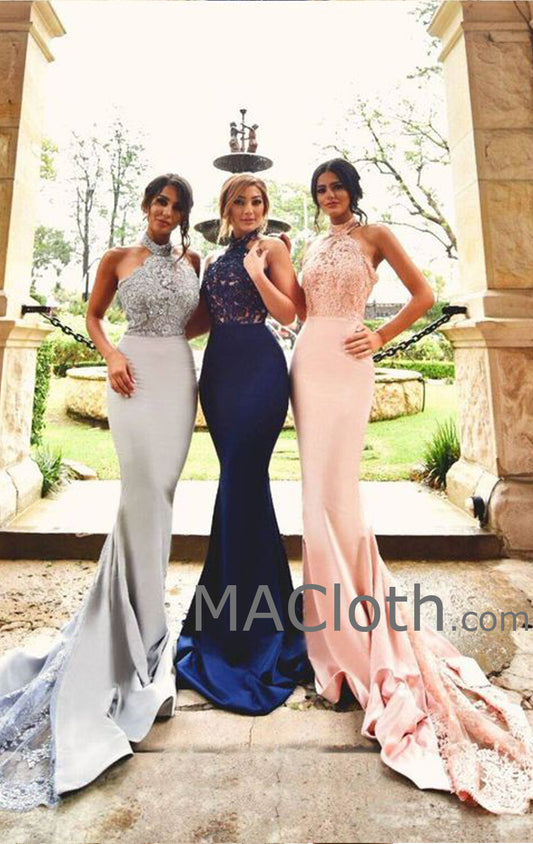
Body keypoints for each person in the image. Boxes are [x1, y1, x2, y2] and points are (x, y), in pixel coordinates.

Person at [289, 157, 533, 814]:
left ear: (352, 192)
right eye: (321, 189)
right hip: (307, 360)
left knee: (338, 496)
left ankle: (352, 633)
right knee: (313, 498)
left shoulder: (376, 236)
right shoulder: (311, 243)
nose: (329, 195)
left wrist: (380, 335)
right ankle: (325, 636)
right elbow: (300, 307)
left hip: (349, 362)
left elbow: (422, 295)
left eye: (336, 187)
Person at [0, 173, 200, 810]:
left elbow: (195, 322)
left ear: (183, 215)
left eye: (177, 206)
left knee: (160, 494)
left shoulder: (193, 261)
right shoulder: (117, 257)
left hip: (177, 377)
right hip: (132, 375)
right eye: (160, 201)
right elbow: (92, 316)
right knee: (141, 492)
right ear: (147, 205)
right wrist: (113, 353)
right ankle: (141, 636)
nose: (167, 211)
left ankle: (142, 623)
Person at [175, 173, 311, 715]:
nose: (249, 208)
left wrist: (258, 273)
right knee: (239, 488)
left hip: (259, 368)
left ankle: (251, 625)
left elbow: (289, 312)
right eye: (240, 201)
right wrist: (150, 326)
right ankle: (240, 613)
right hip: (220, 372)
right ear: (226, 208)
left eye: (256, 201)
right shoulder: (213, 257)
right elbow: (201, 321)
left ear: (265, 207)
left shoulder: (272, 248)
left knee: (242, 482)